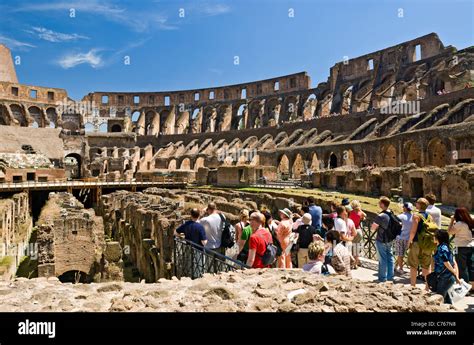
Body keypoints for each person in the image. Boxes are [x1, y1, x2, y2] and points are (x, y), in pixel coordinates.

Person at [407, 198, 435, 287]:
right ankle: (427, 287)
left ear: (419, 205)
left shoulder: (416, 216)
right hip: (427, 244)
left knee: (413, 265)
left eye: (417, 203)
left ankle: (413, 285)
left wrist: (409, 241)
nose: (415, 204)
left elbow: (413, 231)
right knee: (426, 266)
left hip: (417, 243)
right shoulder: (430, 217)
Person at [448, 207, 474, 292]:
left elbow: (449, 232)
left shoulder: (459, 224)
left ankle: (465, 287)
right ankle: (472, 286)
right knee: (471, 266)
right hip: (471, 246)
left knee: (462, 267)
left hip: (461, 246)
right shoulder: (470, 222)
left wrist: (452, 221)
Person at [432, 229, 460, 304]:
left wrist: (454, 272)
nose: (433, 238)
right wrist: (456, 275)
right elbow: (454, 262)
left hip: (445, 277)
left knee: (439, 298)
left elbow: (446, 262)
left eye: (434, 236)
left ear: (439, 238)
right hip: (447, 277)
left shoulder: (442, 248)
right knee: (447, 300)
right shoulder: (445, 246)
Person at [371, 196, 395, 283]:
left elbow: (373, 228)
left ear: (382, 204)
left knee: (382, 259)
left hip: (381, 239)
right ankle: (390, 277)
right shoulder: (391, 213)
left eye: (379, 203)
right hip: (390, 239)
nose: (378, 204)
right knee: (390, 257)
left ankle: (382, 278)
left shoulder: (381, 216)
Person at [394, 202, 414, 274]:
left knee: (400, 254)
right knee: (402, 254)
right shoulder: (414, 217)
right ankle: (396, 266)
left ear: (405, 208)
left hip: (400, 237)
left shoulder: (400, 216)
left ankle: (401, 269)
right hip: (409, 239)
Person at [349, 200, 366, 267]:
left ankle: (352, 263)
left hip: (352, 231)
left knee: (352, 248)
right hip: (359, 231)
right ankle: (356, 264)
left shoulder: (350, 212)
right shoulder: (360, 213)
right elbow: (365, 215)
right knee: (357, 248)